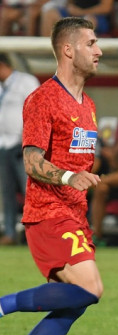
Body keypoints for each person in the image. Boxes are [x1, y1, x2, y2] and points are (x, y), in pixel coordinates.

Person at [0, 16, 103, 335]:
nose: (99, 50)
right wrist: (66, 178)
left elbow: (80, 163)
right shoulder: (43, 99)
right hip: (48, 211)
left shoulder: (89, 105)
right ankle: (3, 305)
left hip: (74, 214)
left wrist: (83, 179)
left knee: (72, 304)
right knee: (91, 288)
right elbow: (31, 161)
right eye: (91, 43)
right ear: (68, 49)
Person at [0, 53, 39, 245]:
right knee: (6, 192)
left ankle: (36, 234)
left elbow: (36, 110)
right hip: (3, 145)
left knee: (30, 191)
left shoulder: (26, 82)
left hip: (23, 145)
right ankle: (10, 233)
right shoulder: (1, 87)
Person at [90, 118, 118, 246]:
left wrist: (113, 157)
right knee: (101, 188)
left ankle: (102, 180)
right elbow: (95, 165)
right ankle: (97, 235)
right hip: (103, 182)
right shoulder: (97, 143)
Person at [40, 0, 112, 37]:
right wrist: (71, 8)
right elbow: (69, 3)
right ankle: (48, 50)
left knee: (87, 21)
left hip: (96, 16)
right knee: (49, 13)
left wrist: (81, 12)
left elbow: (106, 8)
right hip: (75, 13)